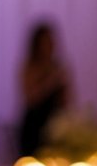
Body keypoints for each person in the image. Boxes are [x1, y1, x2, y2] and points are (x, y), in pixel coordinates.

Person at [17, 22, 71, 156]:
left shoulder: (58, 66)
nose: (49, 44)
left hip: (55, 126)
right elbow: (30, 97)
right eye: (45, 41)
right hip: (34, 126)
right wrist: (51, 81)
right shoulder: (30, 66)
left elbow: (66, 102)